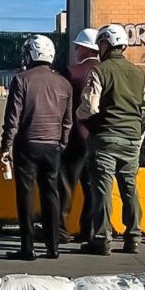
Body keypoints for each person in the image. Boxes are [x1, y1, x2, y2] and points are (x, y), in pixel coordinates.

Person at [77, 24, 145, 255]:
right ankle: (133, 237)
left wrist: (79, 116)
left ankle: (102, 238)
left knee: (103, 189)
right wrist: (137, 136)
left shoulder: (99, 71)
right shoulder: (140, 73)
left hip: (105, 139)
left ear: (105, 44)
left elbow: (90, 106)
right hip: (131, 140)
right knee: (130, 188)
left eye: (100, 44)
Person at [0, 35, 72, 261]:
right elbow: (67, 122)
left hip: (27, 145)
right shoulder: (64, 83)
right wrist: (61, 144)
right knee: (51, 194)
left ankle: (27, 248)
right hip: (53, 147)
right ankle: (53, 247)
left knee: (26, 195)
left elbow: (13, 119)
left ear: (30, 55)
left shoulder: (21, 80)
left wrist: (5, 147)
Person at [58, 28, 100, 244]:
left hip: (74, 136)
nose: (75, 49)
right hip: (98, 138)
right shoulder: (106, 71)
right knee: (92, 187)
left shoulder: (71, 72)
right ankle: (89, 230)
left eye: (77, 46)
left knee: (65, 185)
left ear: (85, 48)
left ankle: (61, 230)